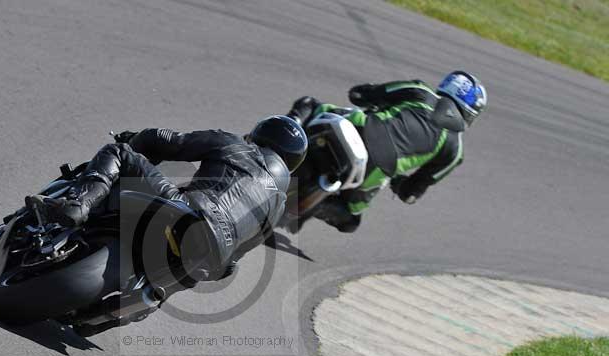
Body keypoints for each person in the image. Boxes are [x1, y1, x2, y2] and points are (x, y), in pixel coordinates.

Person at [29, 115, 308, 281]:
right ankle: (134, 307)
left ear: (259, 134)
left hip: (186, 210)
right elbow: (233, 262)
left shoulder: (236, 144)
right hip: (211, 255)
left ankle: (78, 205)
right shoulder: (278, 206)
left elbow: (169, 141)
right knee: (198, 271)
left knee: (118, 153)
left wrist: (134, 139)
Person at [286, 71, 487, 233]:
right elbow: (410, 194)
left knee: (309, 104)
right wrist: (398, 182)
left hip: (359, 127)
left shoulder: (420, 90)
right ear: (472, 111)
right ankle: (317, 205)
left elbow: (360, 95)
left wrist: (367, 96)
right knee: (350, 221)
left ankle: (281, 137)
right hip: (378, 168)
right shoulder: (454, 151)